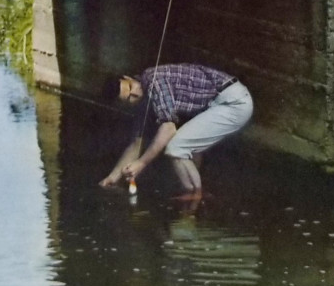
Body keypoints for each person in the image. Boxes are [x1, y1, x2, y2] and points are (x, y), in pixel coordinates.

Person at [99, 63, 252, 198]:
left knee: (175, 147)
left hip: (232, 102)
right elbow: (135, 145)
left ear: (128, 77)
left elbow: (168, 129)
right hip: (223, 103)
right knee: (187, 147)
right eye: (129, 98)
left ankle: (195, 194)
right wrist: (113, 177)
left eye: (131, 87)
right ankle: (194, 195)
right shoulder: (144, 102)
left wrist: (141, 163)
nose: (136, 94)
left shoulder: (153, 81)